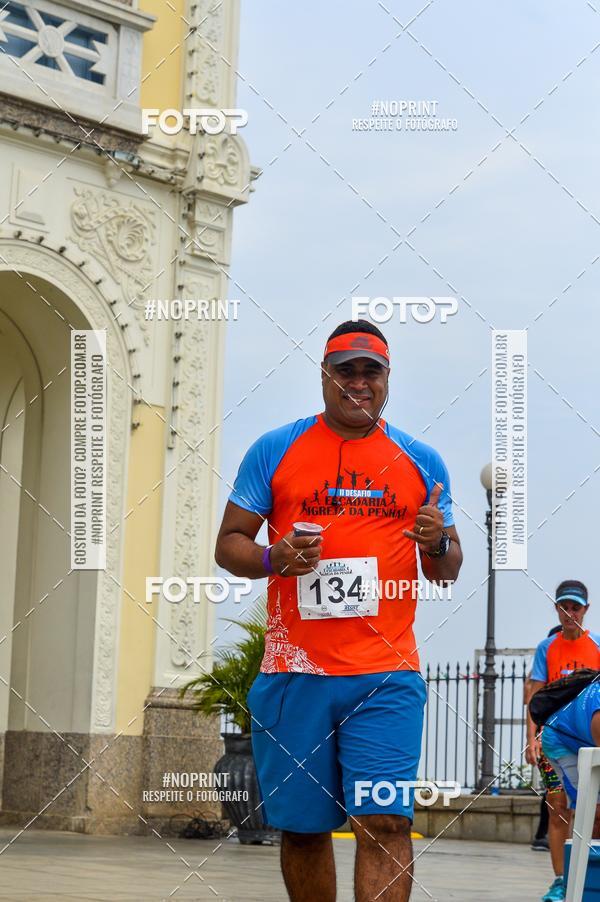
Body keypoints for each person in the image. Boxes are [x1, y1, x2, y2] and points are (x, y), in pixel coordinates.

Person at [215, 320, 463, 902]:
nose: (357, 381)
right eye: (343, 370)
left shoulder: (421, 460)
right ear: (324, 375)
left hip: (385, 677)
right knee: (302, 829)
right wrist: (275, 557)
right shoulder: (276, 449)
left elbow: (446, 569)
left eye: (369, 371)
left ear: (386, 379)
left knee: (386, 823)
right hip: (294, 674)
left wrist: (434, 541)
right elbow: (229, 544)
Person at [526, 581, 600, 901]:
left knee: (594, 809)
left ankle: (587, 873)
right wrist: (532, 739)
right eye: (564, 607)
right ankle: (560, 879)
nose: (570, 613)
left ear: (585, 610)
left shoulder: (597, 644)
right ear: (556, 608)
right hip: (553, 736)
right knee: (558, 807)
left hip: (586, 734)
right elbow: (534, 696)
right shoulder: (548, 647)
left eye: (576, 607)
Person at [526, 625, 562, 853]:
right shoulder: (545, 657)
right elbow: (530, 701)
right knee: (554, 793)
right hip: (548, 735)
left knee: (557, 794)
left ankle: (544, 835)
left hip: (570, 736)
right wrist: (532, 739)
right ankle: (543, 835)